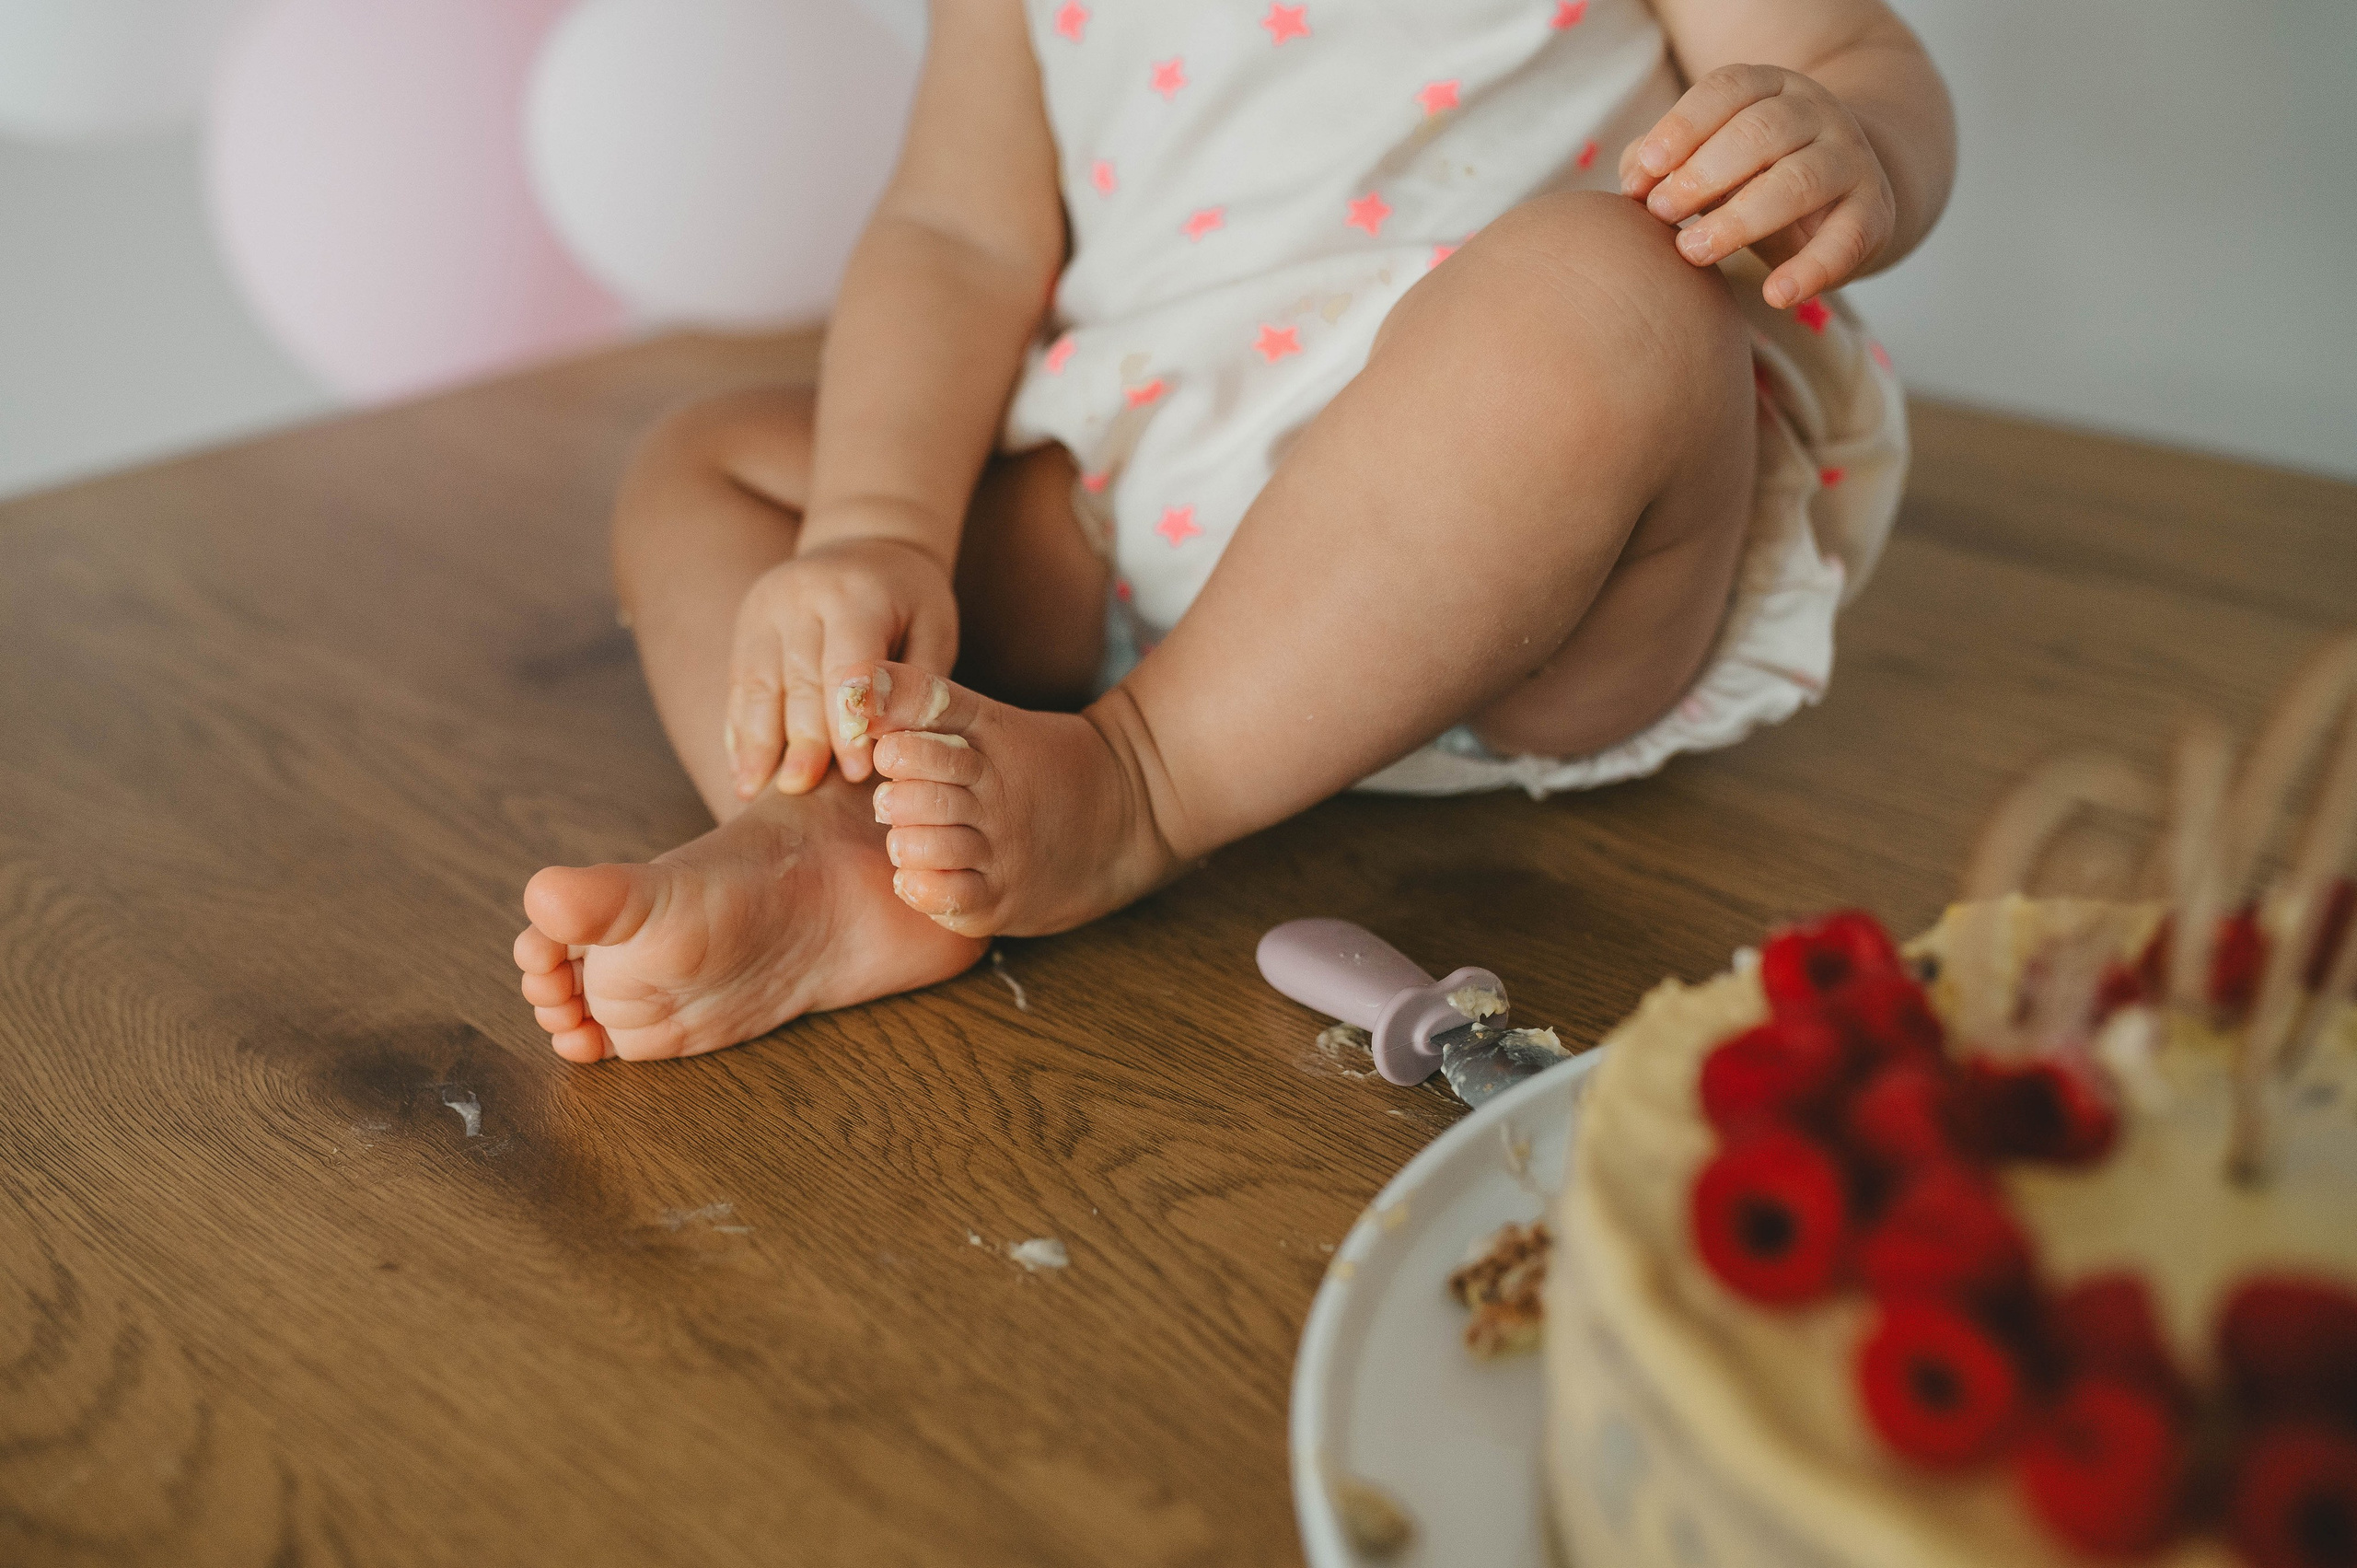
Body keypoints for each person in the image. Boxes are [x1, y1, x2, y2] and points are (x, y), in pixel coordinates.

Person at [514, 0, 1953, 1063]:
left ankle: (1140, 785)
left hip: (1523, 547)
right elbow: (958, 234)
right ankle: (832, 830)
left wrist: (1856, 139)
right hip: (1142, 492)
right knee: (707, 462)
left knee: (1616, 295)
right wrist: (874, 526)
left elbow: (1848, 55)